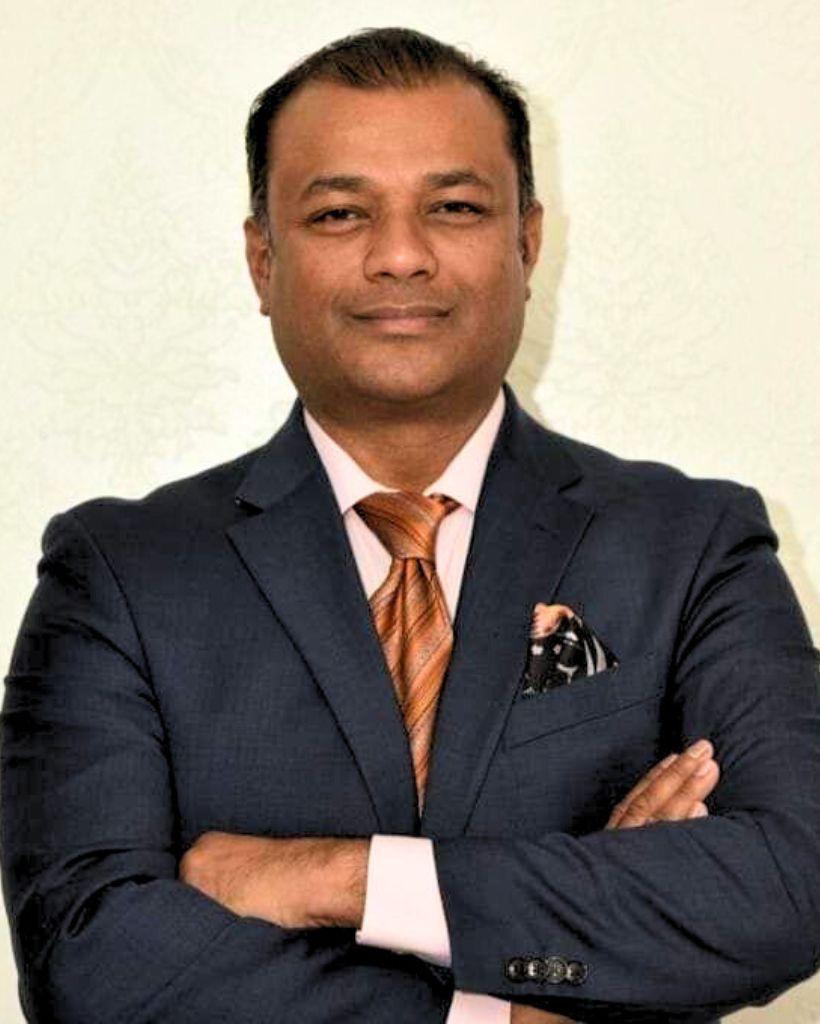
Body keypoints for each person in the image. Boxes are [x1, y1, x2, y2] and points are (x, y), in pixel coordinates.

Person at [1, 25, 818, 1024]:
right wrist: (502, 1012)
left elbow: (792, 880)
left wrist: (343, 879)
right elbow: (89, 959)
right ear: (262, 260)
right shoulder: (119, 575)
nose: (399, 256)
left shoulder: (692, 547)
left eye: (454, 208)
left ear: (527, 243)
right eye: (340, 213)